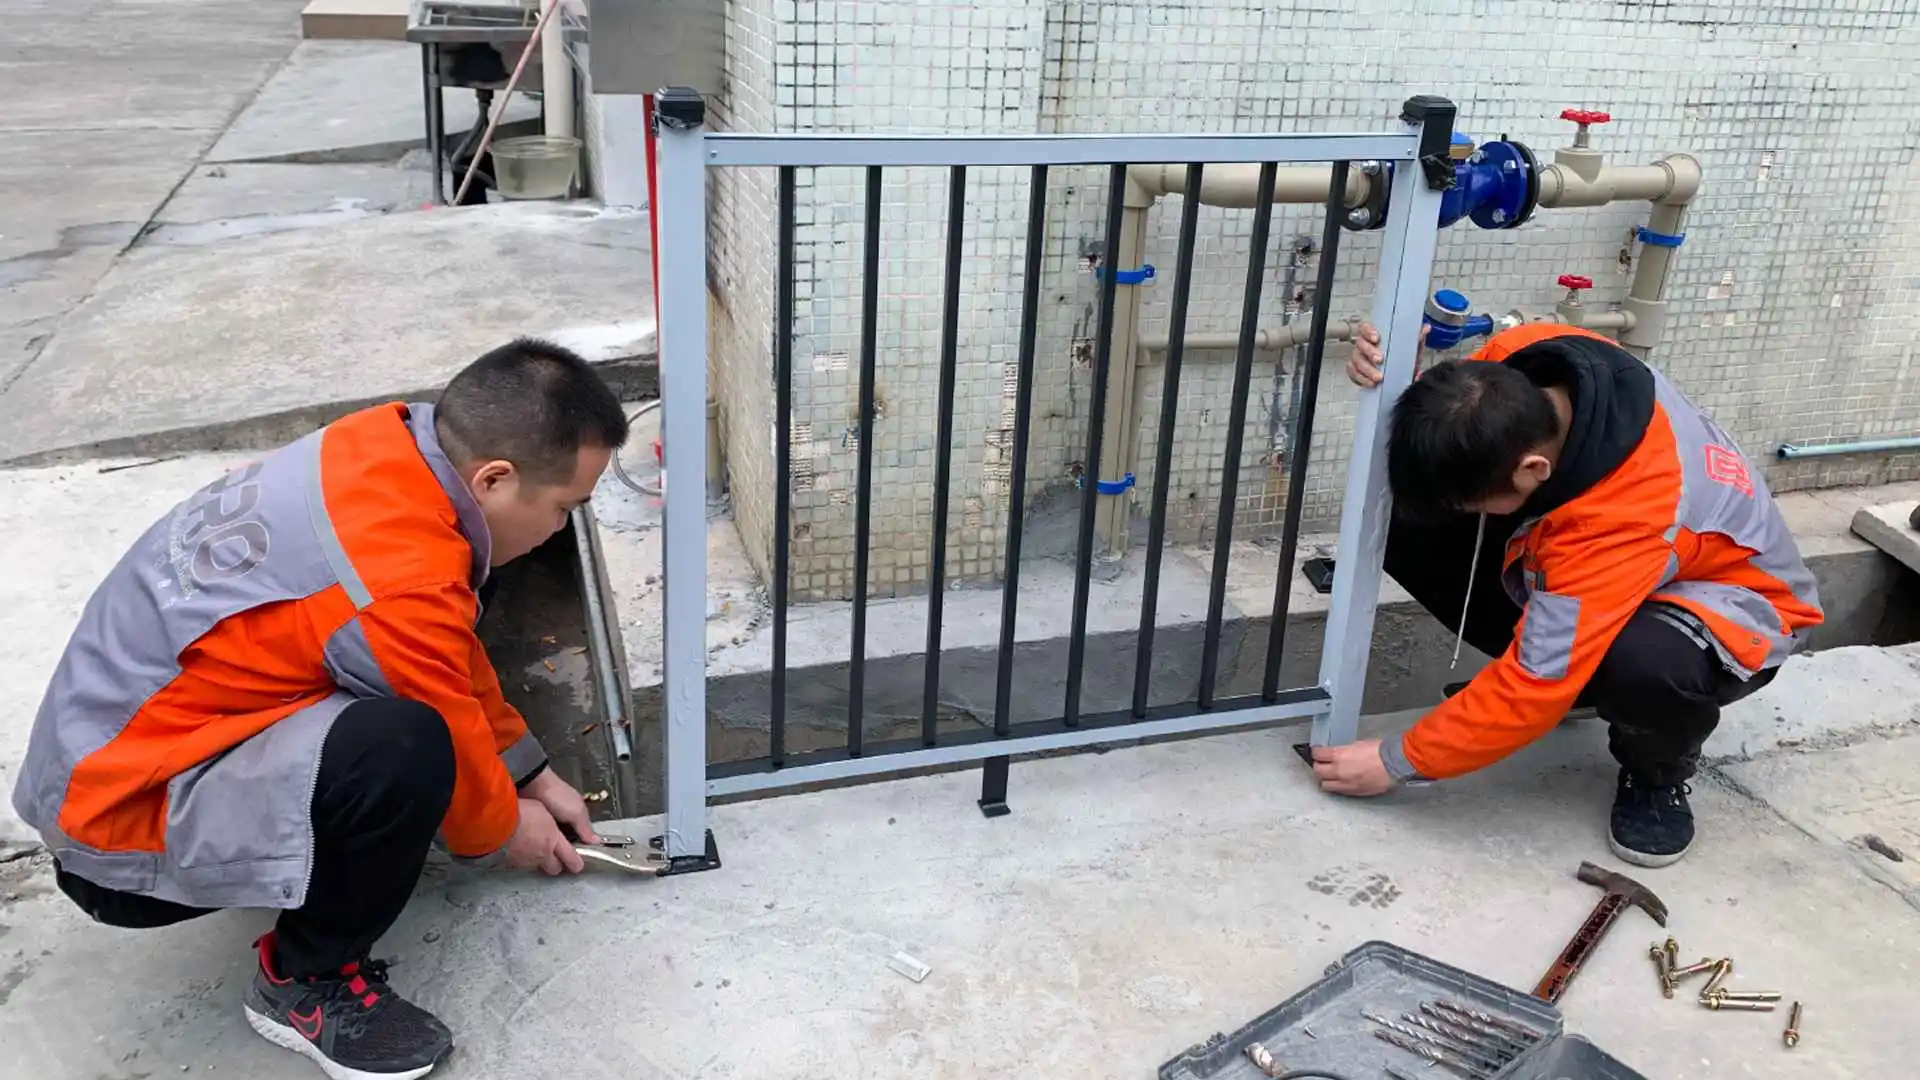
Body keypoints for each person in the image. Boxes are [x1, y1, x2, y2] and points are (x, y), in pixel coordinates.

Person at [11, 339, 631, 1080]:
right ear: (494, 478)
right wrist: (505, 823)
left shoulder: (386, 445)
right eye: (565, 509)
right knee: (404, 750)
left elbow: (444, 645)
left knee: (464, 590)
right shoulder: (398, 576)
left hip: (116, 749)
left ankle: (292, 857)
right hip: (119, 827)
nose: (563, 530)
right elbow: (450, 744)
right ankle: (305, 981)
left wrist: (529, 771)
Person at [1310, 321, 1822, 868]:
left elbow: (1536, 680)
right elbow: (1456, 419)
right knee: (1411, 520)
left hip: (1731, 607)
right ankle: (1581, 680)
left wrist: (1397, 759)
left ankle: (1656, 774)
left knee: (1642, 664)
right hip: (1621, 567)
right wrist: (1398, 379)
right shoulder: (1526, 356)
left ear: (1535, 468)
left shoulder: (1621, 520)